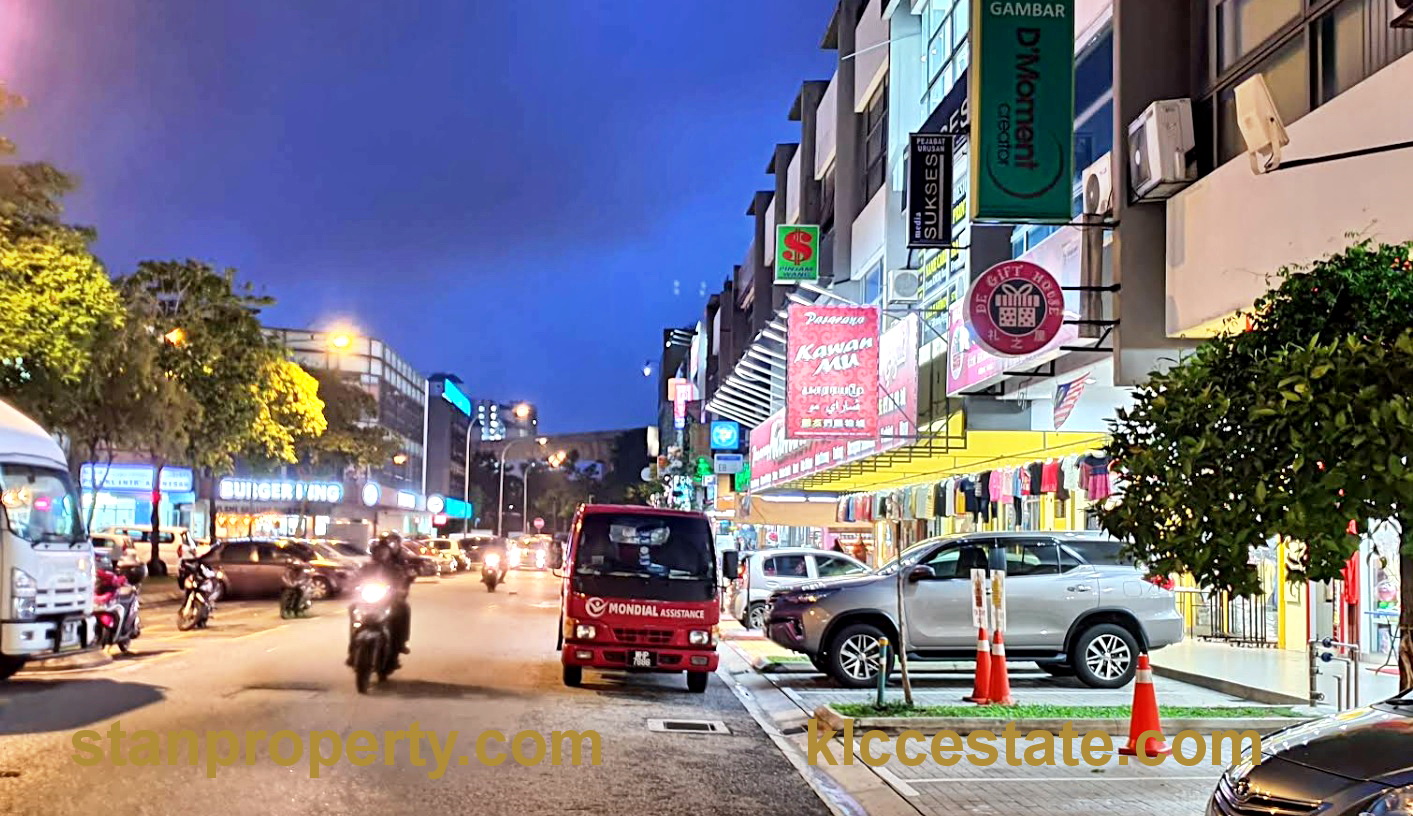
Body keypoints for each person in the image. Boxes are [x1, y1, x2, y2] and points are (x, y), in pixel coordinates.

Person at [347, 532, 414, 668]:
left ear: (389, 552)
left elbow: (403, 579)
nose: (381, 554)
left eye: (384, 551)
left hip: (389, 599)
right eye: (378, 551)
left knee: (403, 609)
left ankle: (400, 643)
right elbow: (356, 578)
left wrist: (401, 588)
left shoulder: (395, 568)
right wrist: (352, 585)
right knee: (353, 608)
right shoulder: (367, 567)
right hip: (369, 600)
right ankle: (353, 648)